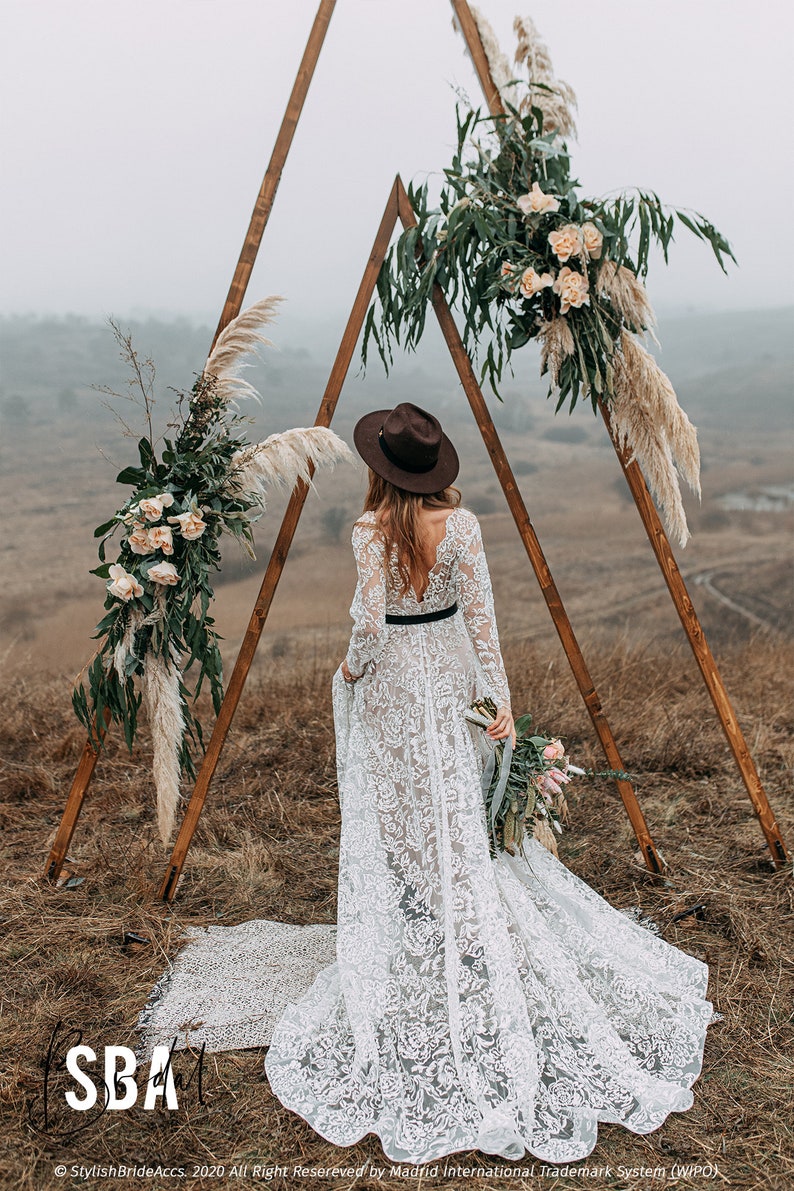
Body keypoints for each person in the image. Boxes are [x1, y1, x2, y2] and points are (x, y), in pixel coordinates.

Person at [263, 402, 715, 1165]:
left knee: (411, 811)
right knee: (462, 814)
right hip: (452, 678)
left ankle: (432, 926)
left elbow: (370, 628)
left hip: (397, 686)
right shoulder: (464, 528)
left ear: (381, 472)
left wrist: (349, 670)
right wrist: (498, 703)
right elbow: (483, 619)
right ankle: (460, 923)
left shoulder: (370, 534)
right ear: (433, 473)